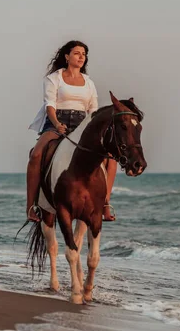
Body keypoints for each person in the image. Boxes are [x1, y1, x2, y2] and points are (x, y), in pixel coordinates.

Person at [26, 40, 117, 222]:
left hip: (82, 125)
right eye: (77, 53)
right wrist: (57, 124)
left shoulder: (89, 83)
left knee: (110, 159)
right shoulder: (54, 78)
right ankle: (31, 207)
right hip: (56, 122)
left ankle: (105, 204)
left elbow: (93, 110)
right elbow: (49, 105)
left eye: (84, 54)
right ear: (67, 56)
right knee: (36, 155)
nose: (81, 56)